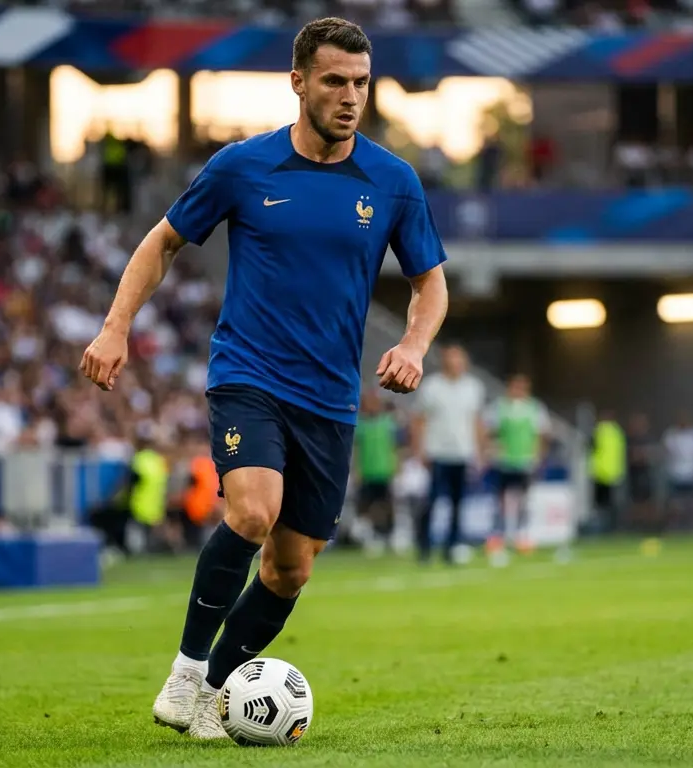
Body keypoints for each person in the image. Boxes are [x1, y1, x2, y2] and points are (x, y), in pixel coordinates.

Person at [78, 17, 449, 740]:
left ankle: (215, 693)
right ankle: (187, 672)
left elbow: (431, 284)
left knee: (290, 571)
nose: (350, 96)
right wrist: (116, 325)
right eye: (335, 81)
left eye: (361, 83)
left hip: (332, 400)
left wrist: (413, 345)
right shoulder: (242, 167)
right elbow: (162, 243)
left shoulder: (393, 181)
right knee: (251, 511)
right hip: (249, 373)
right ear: (299, 82)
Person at [412, 344, 485, 565]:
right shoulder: (432, 387)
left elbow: (476, 422)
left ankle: (451, 548)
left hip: (462, 453)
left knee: (457, 504)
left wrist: (480, 452)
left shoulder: (473, 387)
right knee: (431, 502)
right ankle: (424, 548)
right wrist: (419, 450)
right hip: (437, 452)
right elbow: (419, 420)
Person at [483, 373, 548, 566]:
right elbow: (487, 430)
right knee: (501, 501)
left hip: (525, 461)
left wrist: (538, 455)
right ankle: (498, 538)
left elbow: (541, 434)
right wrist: (491, 448)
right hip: (503, 461)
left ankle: (522, 537)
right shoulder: (499, 407)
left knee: (524, 501)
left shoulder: (535, 408)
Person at [353, 390, 400, 555]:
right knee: (368, 507)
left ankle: (390, 535)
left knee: (387, 505)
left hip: (384, 471)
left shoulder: (388, 423)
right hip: (368, 472)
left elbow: (394, 448)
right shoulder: (361, 425)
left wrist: (396, 467)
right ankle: (372, 537)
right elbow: (357, 450)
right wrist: (357, 470)